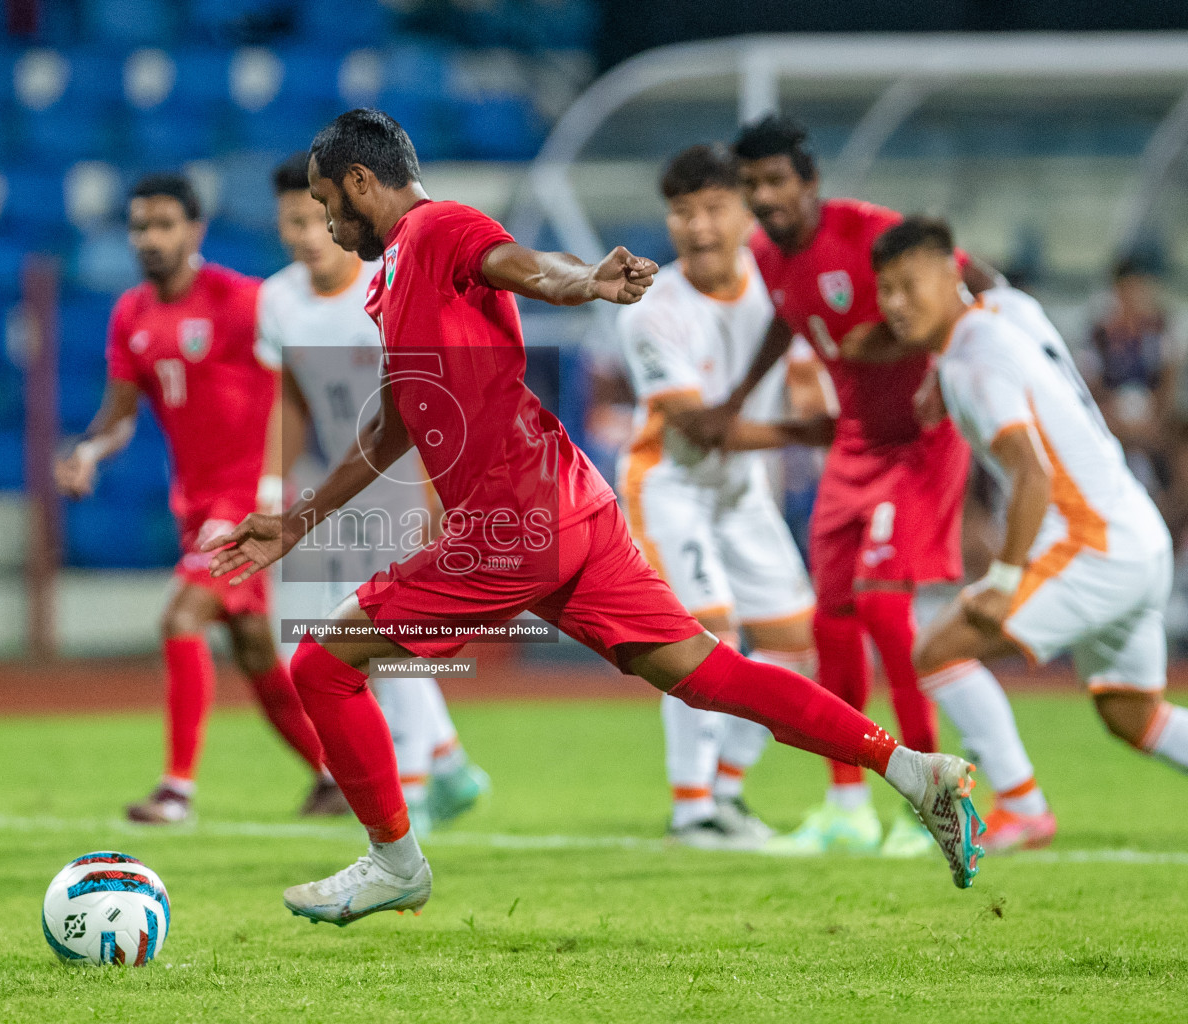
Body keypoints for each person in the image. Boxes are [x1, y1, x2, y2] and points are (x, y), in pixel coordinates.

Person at [204, 109, 986, 926]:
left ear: (363, 183)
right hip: (568, 505)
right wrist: (299, 521)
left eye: (330, 202)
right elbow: (395, 421)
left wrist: (584, 282)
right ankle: (911, 770)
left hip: (509, 526)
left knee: (323, 666)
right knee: (707, 674)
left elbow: (521, 265)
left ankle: (394, 863)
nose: (329, 223)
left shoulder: (438, 229)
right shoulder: (394, 275)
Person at [683, 115, 1049, 857]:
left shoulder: (867, 231)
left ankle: (937, 802)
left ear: (809, 182)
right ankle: (847, 804)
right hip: (853, 445)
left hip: (918, 442)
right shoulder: (765, 254)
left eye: (776, 181)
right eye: (752, 184)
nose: (764, 197)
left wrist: (973, 363)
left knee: (888, 615)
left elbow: (974, 281)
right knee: (833, 623)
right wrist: (739, 396)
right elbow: (788, 321)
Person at [54, 172, 346, 824]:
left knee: (181, 618)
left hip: (248, 499)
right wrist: (87, 452)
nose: (150, 239)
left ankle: (176, 791)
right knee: (253, 651)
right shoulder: (131, 313)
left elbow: (302, 370)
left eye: (163, 225)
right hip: (195, 504)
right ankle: (337, 775)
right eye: (139, 227)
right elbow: (121, 413)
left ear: (195, 230)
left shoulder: (241, 301)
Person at [874, 216, 1188, 784]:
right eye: (885, 289)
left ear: (950, 274)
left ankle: (1020, 804)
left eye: (908, 284)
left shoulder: (971, 360)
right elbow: (991, 282)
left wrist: (1002, 580)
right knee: (1132, 713)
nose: (895, 303)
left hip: (1092, 546)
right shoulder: (1007, 310)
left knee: (937, 651)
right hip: (1139, 537)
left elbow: (1032, 474)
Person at [258, 151, 490, 834]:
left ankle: (415, 783)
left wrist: (435, 499)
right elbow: (291, 395)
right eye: (288, 222)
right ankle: (445, 765)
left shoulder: (386, 285)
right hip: (332, 492)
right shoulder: (276, 301)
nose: (303, 234)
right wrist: (276, 481)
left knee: (378, 638)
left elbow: (427, 399)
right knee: (328, 638)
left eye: (312, 218)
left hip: (398, 483)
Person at [615, 143, 829, 849]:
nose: (699, 227)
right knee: (705, 642)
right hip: (670, 486)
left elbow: (802, 379)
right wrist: (818, 429)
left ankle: (728, 791)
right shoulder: (652, 309)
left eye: (713, 209)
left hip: (740, 494)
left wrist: (820, 409)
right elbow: (701, 428)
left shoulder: (778, 286)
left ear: (745, 214)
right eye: (682, 212)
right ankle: (691, 808)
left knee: (796, 645)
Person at [1082, 254, 1182, 500]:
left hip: (1151, 418)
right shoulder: (1100, 334)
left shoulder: (1158, 330)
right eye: (1127, 289)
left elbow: (1168, 381)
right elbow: (1089, 385)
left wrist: (1155, 420)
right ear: (1116, 291)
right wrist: (1112, 411)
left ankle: (1167, 501)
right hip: (1112, 416)